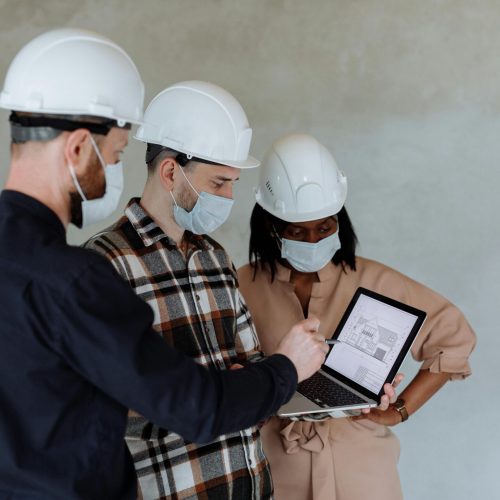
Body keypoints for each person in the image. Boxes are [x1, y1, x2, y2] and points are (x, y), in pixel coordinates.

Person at [0, 31, 329, 500]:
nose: (116, 171)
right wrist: (281, 371)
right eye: (114, 155)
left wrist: (254, 381)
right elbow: (190, 406)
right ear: (76, 149)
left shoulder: (210, 258)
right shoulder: (82, 274)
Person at [84, 81, 331, 499]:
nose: (230, 197)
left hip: (251, 486)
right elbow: (110, 409)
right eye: (219, 183)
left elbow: (254, 373)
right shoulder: (103, 265)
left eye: (233, 183)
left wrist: (245, 386)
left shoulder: (215, 258)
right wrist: (224, 393)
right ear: (169, 172)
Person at [237, 133, 477, 500]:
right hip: (275, 469)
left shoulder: (376, 279)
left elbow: (453, 336)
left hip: (362, 471)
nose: (313, 239)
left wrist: (400, 410)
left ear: (340, 221)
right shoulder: (241, 285)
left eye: (324, 227)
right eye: (296, 231)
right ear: (271, 226)